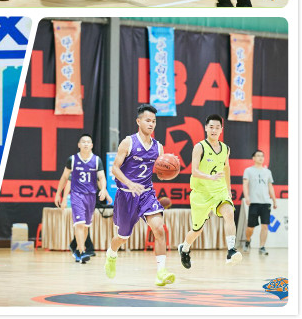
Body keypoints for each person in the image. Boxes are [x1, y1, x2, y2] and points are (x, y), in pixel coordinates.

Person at [106, 105, 173, 286]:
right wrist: (129, 183)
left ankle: (161, 273)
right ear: (138, 121)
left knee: (159, 229)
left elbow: (160, 171)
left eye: (154, 121)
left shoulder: (159, 147)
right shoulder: (128, 142)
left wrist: (166, 171)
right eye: (147, 120)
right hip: (126, 195)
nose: (151, 124)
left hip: (146, 194)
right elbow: (115, 168)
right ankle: (111, 254)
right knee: (122, 237)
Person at [178, 114, 242, 269]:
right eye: (211, 127)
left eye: (217, 127)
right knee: (197, 230)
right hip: (201, 193)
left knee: (229, 212)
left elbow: (226, 168)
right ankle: (185, 248)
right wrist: (210, 177)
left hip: (219, 190)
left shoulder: (225, 148)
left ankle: (231, 251)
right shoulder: (199, 147)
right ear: (206, 128)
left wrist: (228, 188)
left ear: (221, 129)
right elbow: (194, 171)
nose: (214, 130)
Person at [54, 134, 109, 264]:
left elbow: (101, 178)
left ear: (92, 145)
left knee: (85, 226)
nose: (85, 144)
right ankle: (82, 251)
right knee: (79, 224)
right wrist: (58, 194)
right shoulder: (72, 160)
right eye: (83, 142)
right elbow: (64, 178)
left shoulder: (97, 160)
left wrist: (103, 190)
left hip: (91, 196)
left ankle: (78, 251)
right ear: (79, 145)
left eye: (88, 142)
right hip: (77, 195)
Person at [242, 150, 277, 254]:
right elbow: (245, 185)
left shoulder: (267, 172)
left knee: (265, 225)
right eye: (258, 156)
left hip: (265, 203)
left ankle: (262, 247)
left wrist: (274, 200)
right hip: (254, 203)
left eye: (262, 156)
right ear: (253, 158)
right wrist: (247, 197)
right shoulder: (248, 170)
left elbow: (270, 186)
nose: (260, 158)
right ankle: (248, 240)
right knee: (250, 227)